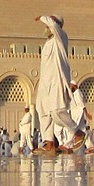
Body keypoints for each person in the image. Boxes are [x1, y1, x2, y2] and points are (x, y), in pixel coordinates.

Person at [35, 15, 83, 150]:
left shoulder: (60, 38)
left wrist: (43, 17)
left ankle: (78, 132)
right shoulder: (48, 43)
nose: (46, 28)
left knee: (57, 111)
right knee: (43, 110)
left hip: (57, 80)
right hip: (45, 81)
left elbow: (54, 26)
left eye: (48, 25)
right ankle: (48, 142)